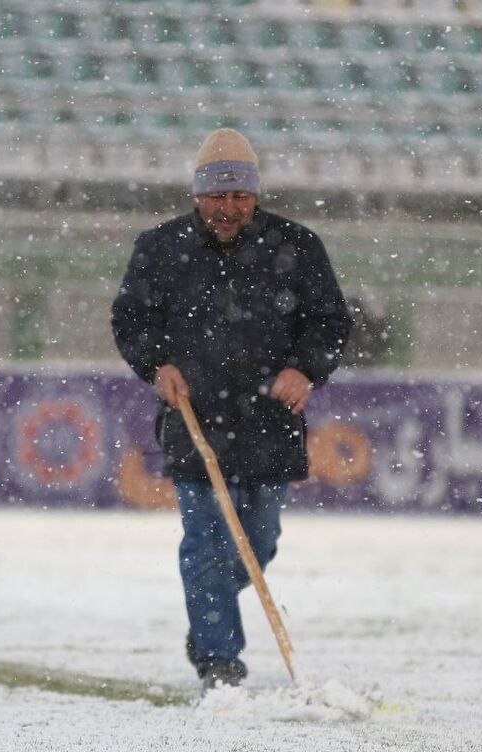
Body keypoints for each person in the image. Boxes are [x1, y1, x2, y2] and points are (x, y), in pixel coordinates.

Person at [111, 128, 352, 693]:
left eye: (239, 195)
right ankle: (220, 661)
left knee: (256, 545)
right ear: (197, 195)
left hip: (270, 423)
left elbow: (330, 322)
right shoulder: (160, 248)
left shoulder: (298, 247)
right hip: (194, 421)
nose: (228, 207)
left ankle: (207, 621)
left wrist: (305, 368)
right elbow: (131, 321)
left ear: (256, 195)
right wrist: (156, 365)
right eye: (217, 196)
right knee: (204, 542)